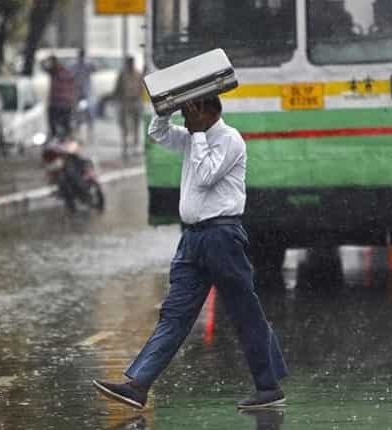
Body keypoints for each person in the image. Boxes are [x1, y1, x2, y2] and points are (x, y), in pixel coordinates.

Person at [93, 96, 288, 410]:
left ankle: (268, 387)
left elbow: (206, 174)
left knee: (244, 312)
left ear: (209, 111)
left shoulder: (229, 139)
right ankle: (138, 385)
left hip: (222, 236)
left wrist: (196, 134)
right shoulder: (192, 137)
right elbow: (158, 133)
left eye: (190, 111)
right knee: (175, 314)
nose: (186, 118)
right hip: (193, 239)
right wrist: (165, 111)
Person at [112, 56, 144, 159]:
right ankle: (125, 147)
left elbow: (141, 88)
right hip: (125, 102)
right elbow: (117, 88)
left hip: (135, 101)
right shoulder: (122, 74)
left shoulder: (138, 74)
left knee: (136, 125)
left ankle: (134, 147)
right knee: (125, 126)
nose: (130, 64)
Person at [43, 55, 76, 138]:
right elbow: (73, 88)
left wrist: (46, 59)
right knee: (65, 125)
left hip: (56, 103)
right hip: (66, 103)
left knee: (54, 124)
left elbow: (43, 66)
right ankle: (66, 138)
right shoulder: (68, 73)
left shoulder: (53, 72)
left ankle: (56, 138)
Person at [72, 49, 95, 140]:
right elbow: (71, 74)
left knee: (89, 111)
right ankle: (77, 131)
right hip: (77, 92)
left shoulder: (87, 65)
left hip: (86, 92)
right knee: (76, 113)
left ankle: (90, 130)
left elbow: (95, 68)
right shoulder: (74, 66)